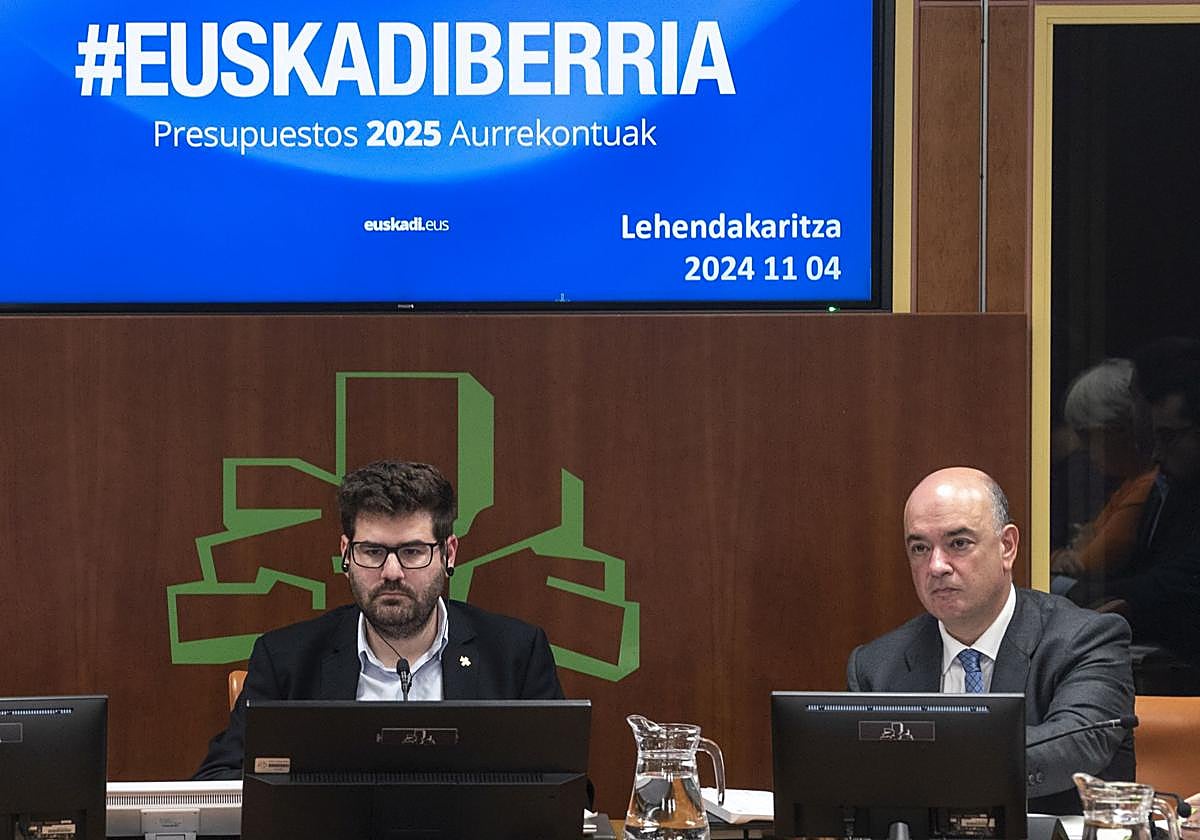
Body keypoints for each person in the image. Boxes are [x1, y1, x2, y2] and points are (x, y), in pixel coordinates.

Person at [194, 460, 563, 779]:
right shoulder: (286, 659)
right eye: (372, 551)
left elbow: (566, 786)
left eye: (413, 551)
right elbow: (218, 782)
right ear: (346, 554)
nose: (391, 572)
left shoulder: (516, 654)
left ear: (449, 553)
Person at [847, 467, 1135, 815]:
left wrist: (931, 762)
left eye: (958, 543)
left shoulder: (1084, 640)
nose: (936, 565)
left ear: (1007, 547)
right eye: (920, 547)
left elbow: (1075, 743)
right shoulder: (876, 667)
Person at [1067, 337, 1200, 692]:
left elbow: (1183, 576)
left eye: (1170, 437)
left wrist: (1106, 598)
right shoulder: (1173, 486)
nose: (1156, 453)